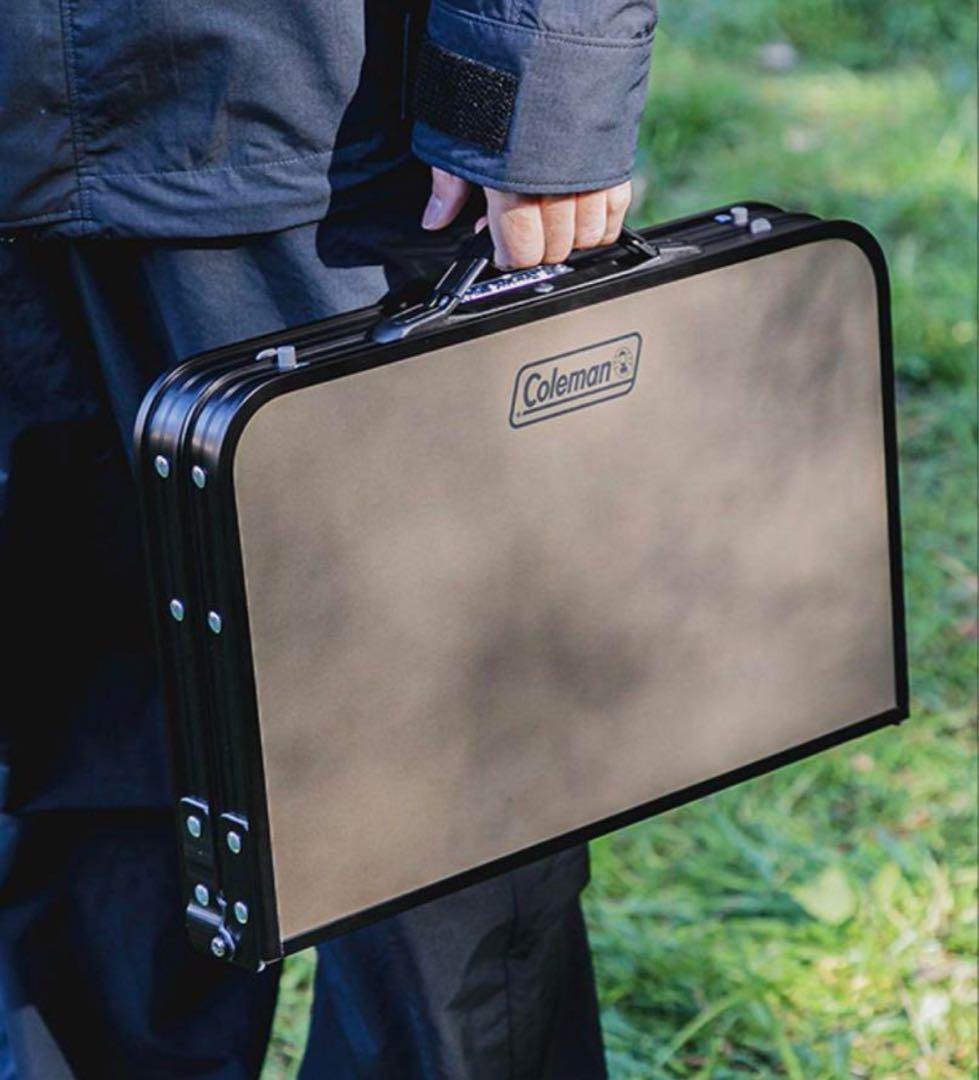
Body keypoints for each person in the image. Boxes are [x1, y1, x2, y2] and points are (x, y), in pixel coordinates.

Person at [0, 0, 656, 1075]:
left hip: (314, 135)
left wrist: (540, 94)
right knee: (86, 737)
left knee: (430, 774)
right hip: (21, 179)